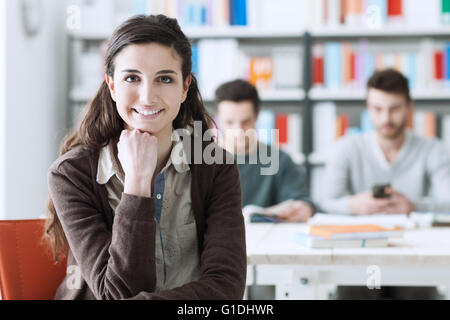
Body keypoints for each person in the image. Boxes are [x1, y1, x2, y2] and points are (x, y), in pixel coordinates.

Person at [44, 15, 246, 300]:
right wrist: (137, 184)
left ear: (184, 87)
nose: (148, 96)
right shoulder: (70, 174)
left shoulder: (216, 167)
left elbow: (226, 287)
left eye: (164, 78)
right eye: (131, 78)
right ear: (112, 86)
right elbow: (115, 294)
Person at [320, 68, 450, 299]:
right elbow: (322, 202)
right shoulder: (347, 148)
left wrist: (414, 206)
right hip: (359, 257)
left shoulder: (432, 150)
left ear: (410, 107)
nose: (386, 119)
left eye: (395, 109)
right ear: (368, 108)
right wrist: (354, 205)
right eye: (377, 109)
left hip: (414, 258)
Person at [215, 79, 314, 223]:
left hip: (269, 241)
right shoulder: (201, 163)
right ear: (218, 119)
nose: (238, 131)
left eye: (245, 122)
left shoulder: (281, 160)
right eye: (229, 123)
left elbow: (301, 200)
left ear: (257, 116)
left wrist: (304, 208)